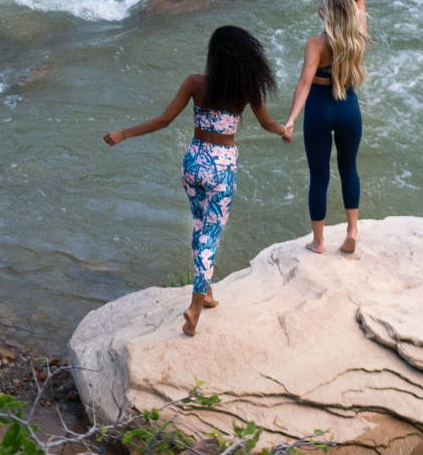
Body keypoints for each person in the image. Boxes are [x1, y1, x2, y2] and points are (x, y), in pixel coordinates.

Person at [104, 24, 290, 336]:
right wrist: (284, 130)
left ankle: (207, 291)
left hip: (193, 162)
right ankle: (194, 306)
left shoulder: (195, 83)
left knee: (200, 226)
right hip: (222, 167)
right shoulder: (247, 90)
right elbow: (267, 123)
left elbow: (164, 120)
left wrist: (123, 133)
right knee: (211, 235)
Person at [284, 0, 368, 257]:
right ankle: (352, 232)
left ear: (324, 14)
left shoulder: (315, 44)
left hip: (319, 110)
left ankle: (318, 242)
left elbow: (305, 83)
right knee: (349, 169)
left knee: (319, 177)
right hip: (348, 108)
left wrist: (291, 119)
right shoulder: (357, 35)